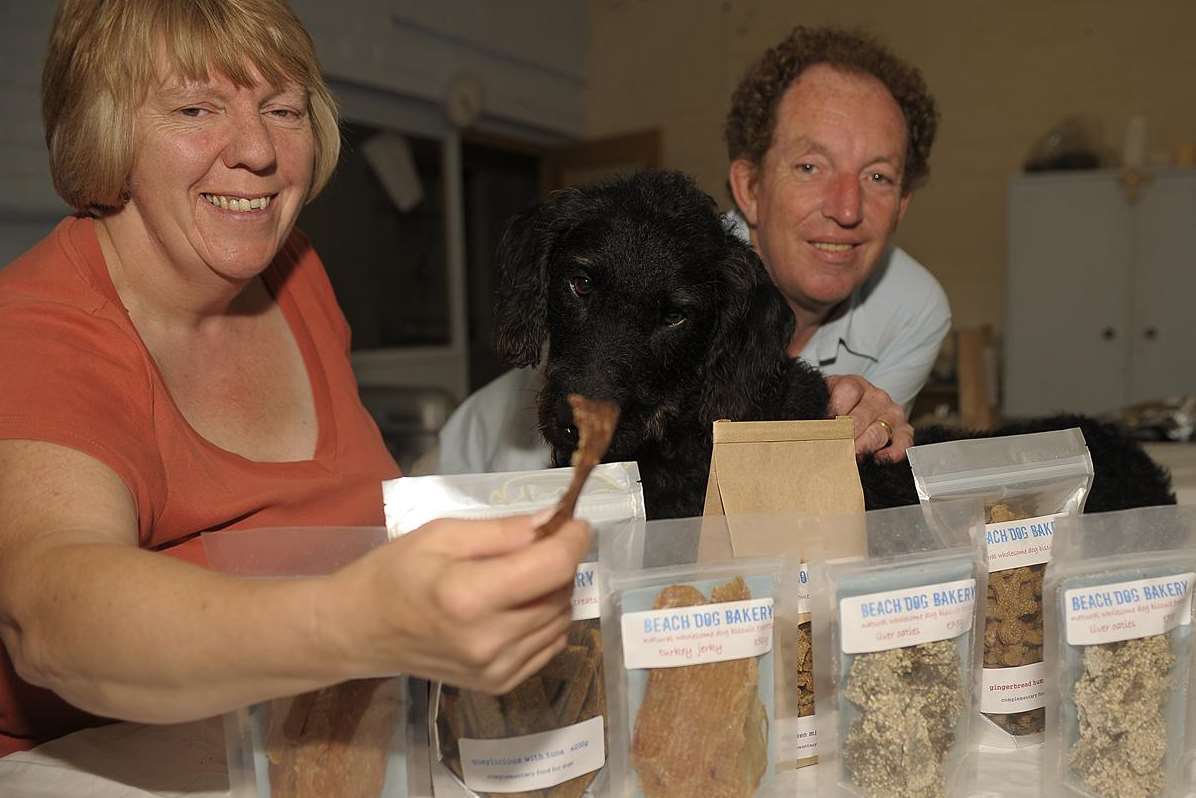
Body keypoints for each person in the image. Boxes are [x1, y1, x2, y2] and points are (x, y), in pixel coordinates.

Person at [0, 0, 587, 756]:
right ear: (104, 133)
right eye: (194, 108)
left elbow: (343, 516)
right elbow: (50, 619)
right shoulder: (34, 325)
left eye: (283, 109)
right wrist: (359, 623)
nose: (257, 151)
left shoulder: (296, 275)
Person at [436, 25, 949, 476]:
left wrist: (857, 422)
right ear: (749, 187)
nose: (847, 207)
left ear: (903, 205)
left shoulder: (913, 311)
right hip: (484, 473)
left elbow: (819, 480)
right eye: (810, 166)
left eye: (878, 176)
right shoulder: (668, 256)